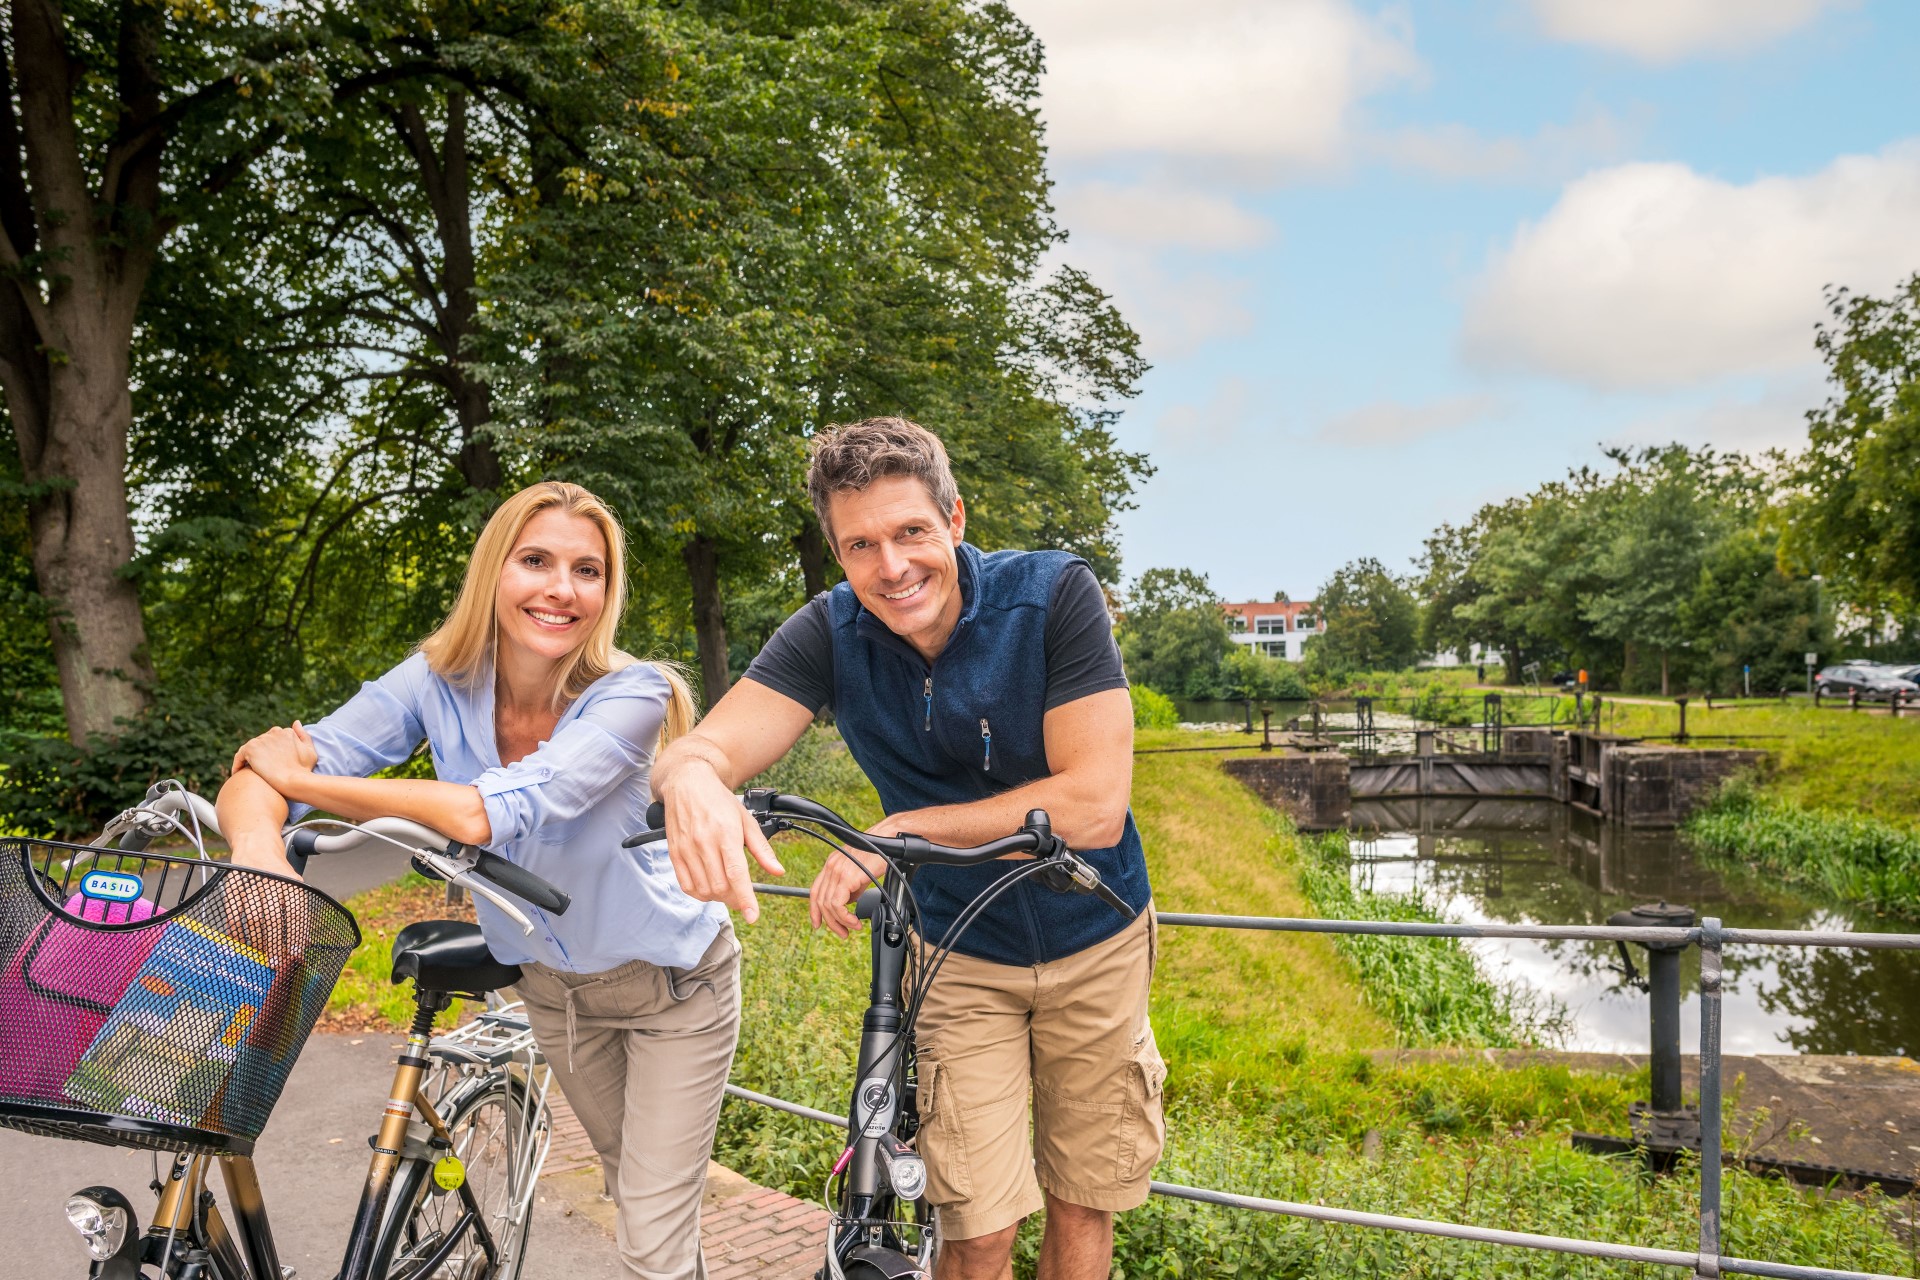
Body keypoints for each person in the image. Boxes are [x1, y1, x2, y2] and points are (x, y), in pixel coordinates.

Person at [652, 418, 1163, 1280]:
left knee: (1084, 1197)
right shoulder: (828, 632)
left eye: (911, 532)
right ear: (838, 553)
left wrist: (898, 835)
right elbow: (702, 749)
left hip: (1096, 938)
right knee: (976, 1222)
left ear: (955, 521)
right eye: (861, 545)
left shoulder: (1053, 597)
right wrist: (696, 781)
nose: (891, 568)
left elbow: (1093, 805)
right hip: (957, 955)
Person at [216, 481, 746, 1280]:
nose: (561, 589)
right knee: (633, 1195)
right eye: (536, 561)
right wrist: (257, 848)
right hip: (554, 991)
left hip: (675, 988)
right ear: (494, 571)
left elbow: (490, 813)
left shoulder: (631, 694)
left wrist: (306, 785)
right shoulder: (434, 680)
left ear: (609, 592)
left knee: (650, 1235)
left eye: (588, 570)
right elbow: (261, 775)